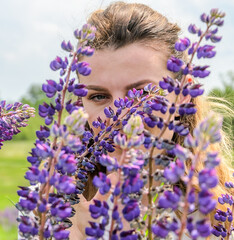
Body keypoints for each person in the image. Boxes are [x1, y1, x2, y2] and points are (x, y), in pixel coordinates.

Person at [18, 2, 233, 239]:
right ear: (81, 104)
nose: (120, 116)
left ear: (183, 94)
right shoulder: (46, 204)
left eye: (141, 93)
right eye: (98, 96)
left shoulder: (223, 212)